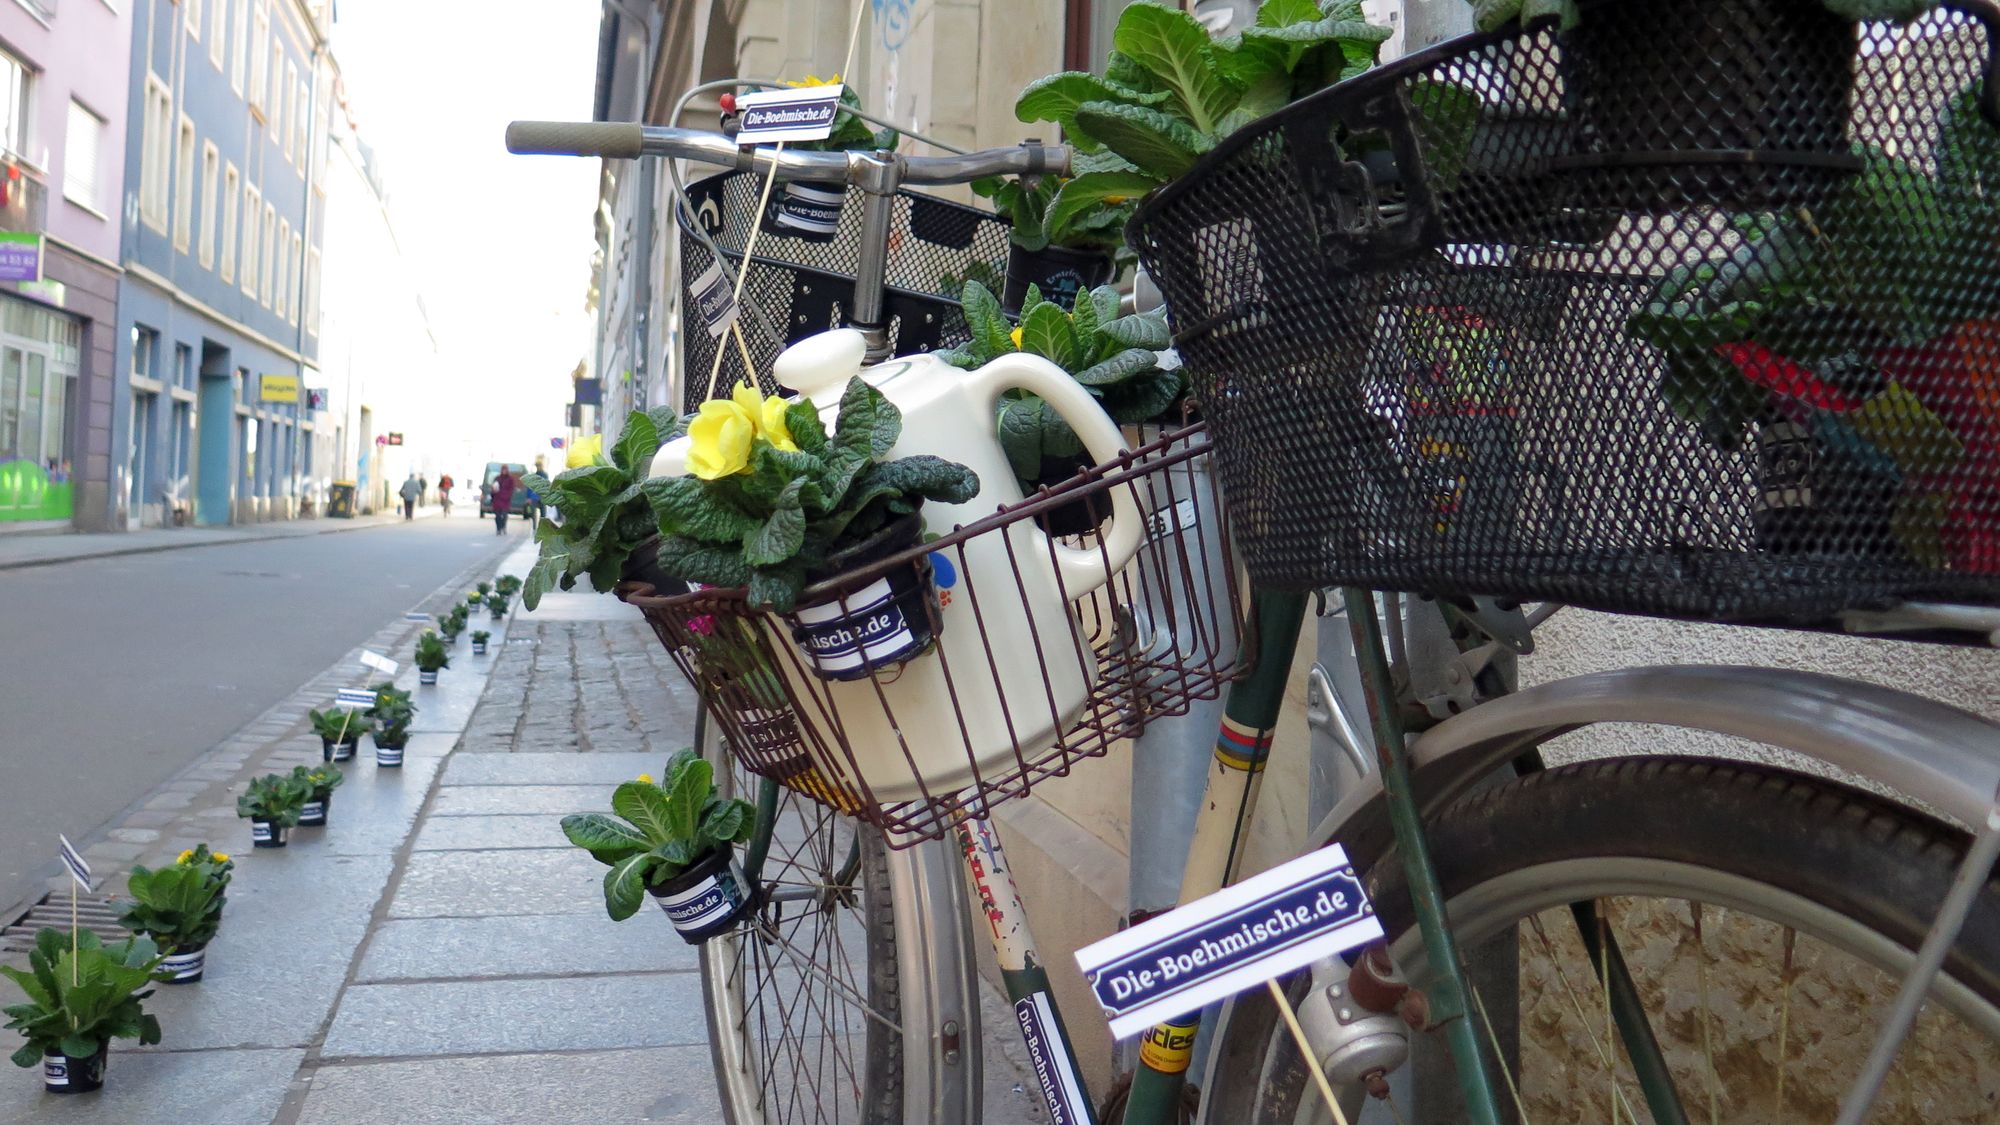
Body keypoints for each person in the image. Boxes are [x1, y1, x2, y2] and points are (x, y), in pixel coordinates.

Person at [491, 467, 517, 535]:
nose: (504, 471)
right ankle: (498, 529)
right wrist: (493, 490)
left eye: (505, 470)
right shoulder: (497, 478)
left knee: (504, 515)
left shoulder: (510, 479)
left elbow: (512, 488)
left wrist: (508, 495)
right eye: (503, 470)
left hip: (505, 500)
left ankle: (503, 527)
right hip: (497, 499)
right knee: (497, 516)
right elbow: (493, 487)